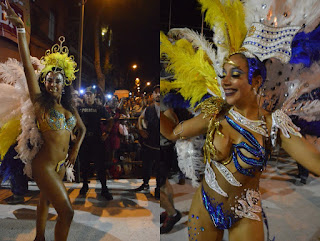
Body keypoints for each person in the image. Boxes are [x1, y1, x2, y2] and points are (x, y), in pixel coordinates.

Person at [159, 1, 320, 240]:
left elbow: (316, 164)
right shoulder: (216, 112)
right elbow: (173, 132)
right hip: (204, 207)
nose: (225, 81)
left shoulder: (272, 122)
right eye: (224, 75)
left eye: (235, 75)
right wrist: (155, 107)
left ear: (255, 81)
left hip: (245, 212)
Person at [0, 1, 86, 240]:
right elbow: (28, 66)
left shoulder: (68, 108)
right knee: (66, 213)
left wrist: (75, 150)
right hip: (44, 165)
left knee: (45, 204)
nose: (52, 83)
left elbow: (83, 129)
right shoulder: (40, 103)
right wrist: (19, 29)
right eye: (48, 79)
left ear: (64, 83)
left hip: (60, 168)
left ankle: (39, 237)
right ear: (44, 83)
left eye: (57, 80)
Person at [78, 86, 113, 200]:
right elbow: (72, 121)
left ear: (94, 96)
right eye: (86, 94)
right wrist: (74, 135)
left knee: (100, 166)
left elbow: (110, 119)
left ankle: (104, 188)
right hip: (84, 140)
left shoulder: (99, 108)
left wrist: (106, 133)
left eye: (90, 94)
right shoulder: (79, 108)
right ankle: (85, 185)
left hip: (97, 140)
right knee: (84, 165)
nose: (88, 96)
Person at [134, 85, 160, 199]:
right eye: (156, 92)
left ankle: (159, 188)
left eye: (160, 92)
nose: (158, 94)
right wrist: (140, 130)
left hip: (162, 144)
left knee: (160, 168)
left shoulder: (168, 107)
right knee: (147, 165)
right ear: (153, 95)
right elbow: (140, 118)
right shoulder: (148, 109)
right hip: (150, 143)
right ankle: (145, 184)